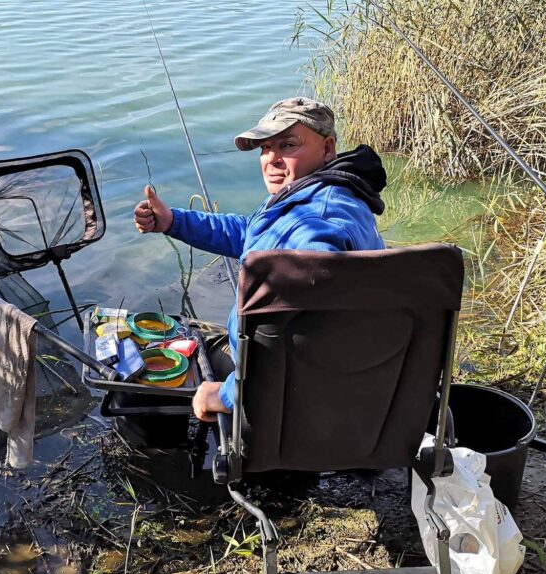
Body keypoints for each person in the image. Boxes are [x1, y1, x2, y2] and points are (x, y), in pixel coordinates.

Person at [134, 96, 387, 424]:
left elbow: (306, 333)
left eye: (288, 145)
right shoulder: (310, 194)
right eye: (265, 148)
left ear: (327, 149)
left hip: (282, 402)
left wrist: (227, 395)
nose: (272, 159)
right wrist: (173, 221)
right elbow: (250, 232)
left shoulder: (324, 217)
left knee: (169, 356)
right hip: (309, 385)